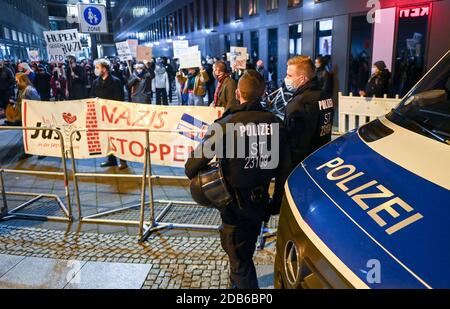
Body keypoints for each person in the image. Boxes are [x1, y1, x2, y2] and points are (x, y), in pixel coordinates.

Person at [185, 70, 291, 289]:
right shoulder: (276, 123)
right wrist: (276, 202)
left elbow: (191, 167)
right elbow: (284, 169)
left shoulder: (226, 124)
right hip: (260, 202)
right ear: (262, 95)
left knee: (240, 263)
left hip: (233, 205)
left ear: (237, 93)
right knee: (243, 254)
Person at [284, 56, 335, 167]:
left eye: (289, 75)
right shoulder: (325, 96)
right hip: (323, 157)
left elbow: (293, 142)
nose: (286, 78)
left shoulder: (298, 104)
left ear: (302, 79)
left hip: (302, 165)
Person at [91, 59, 128, 170]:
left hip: (114, 115)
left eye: (98, 67)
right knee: (106, 137)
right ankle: (111, 160)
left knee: (118, 138)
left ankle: (123, 160)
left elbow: (119, 98)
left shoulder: (116, 81)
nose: (96, 70)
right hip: (102, 115)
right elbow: (92, 95)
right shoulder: (95, 82)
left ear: (104, 69)